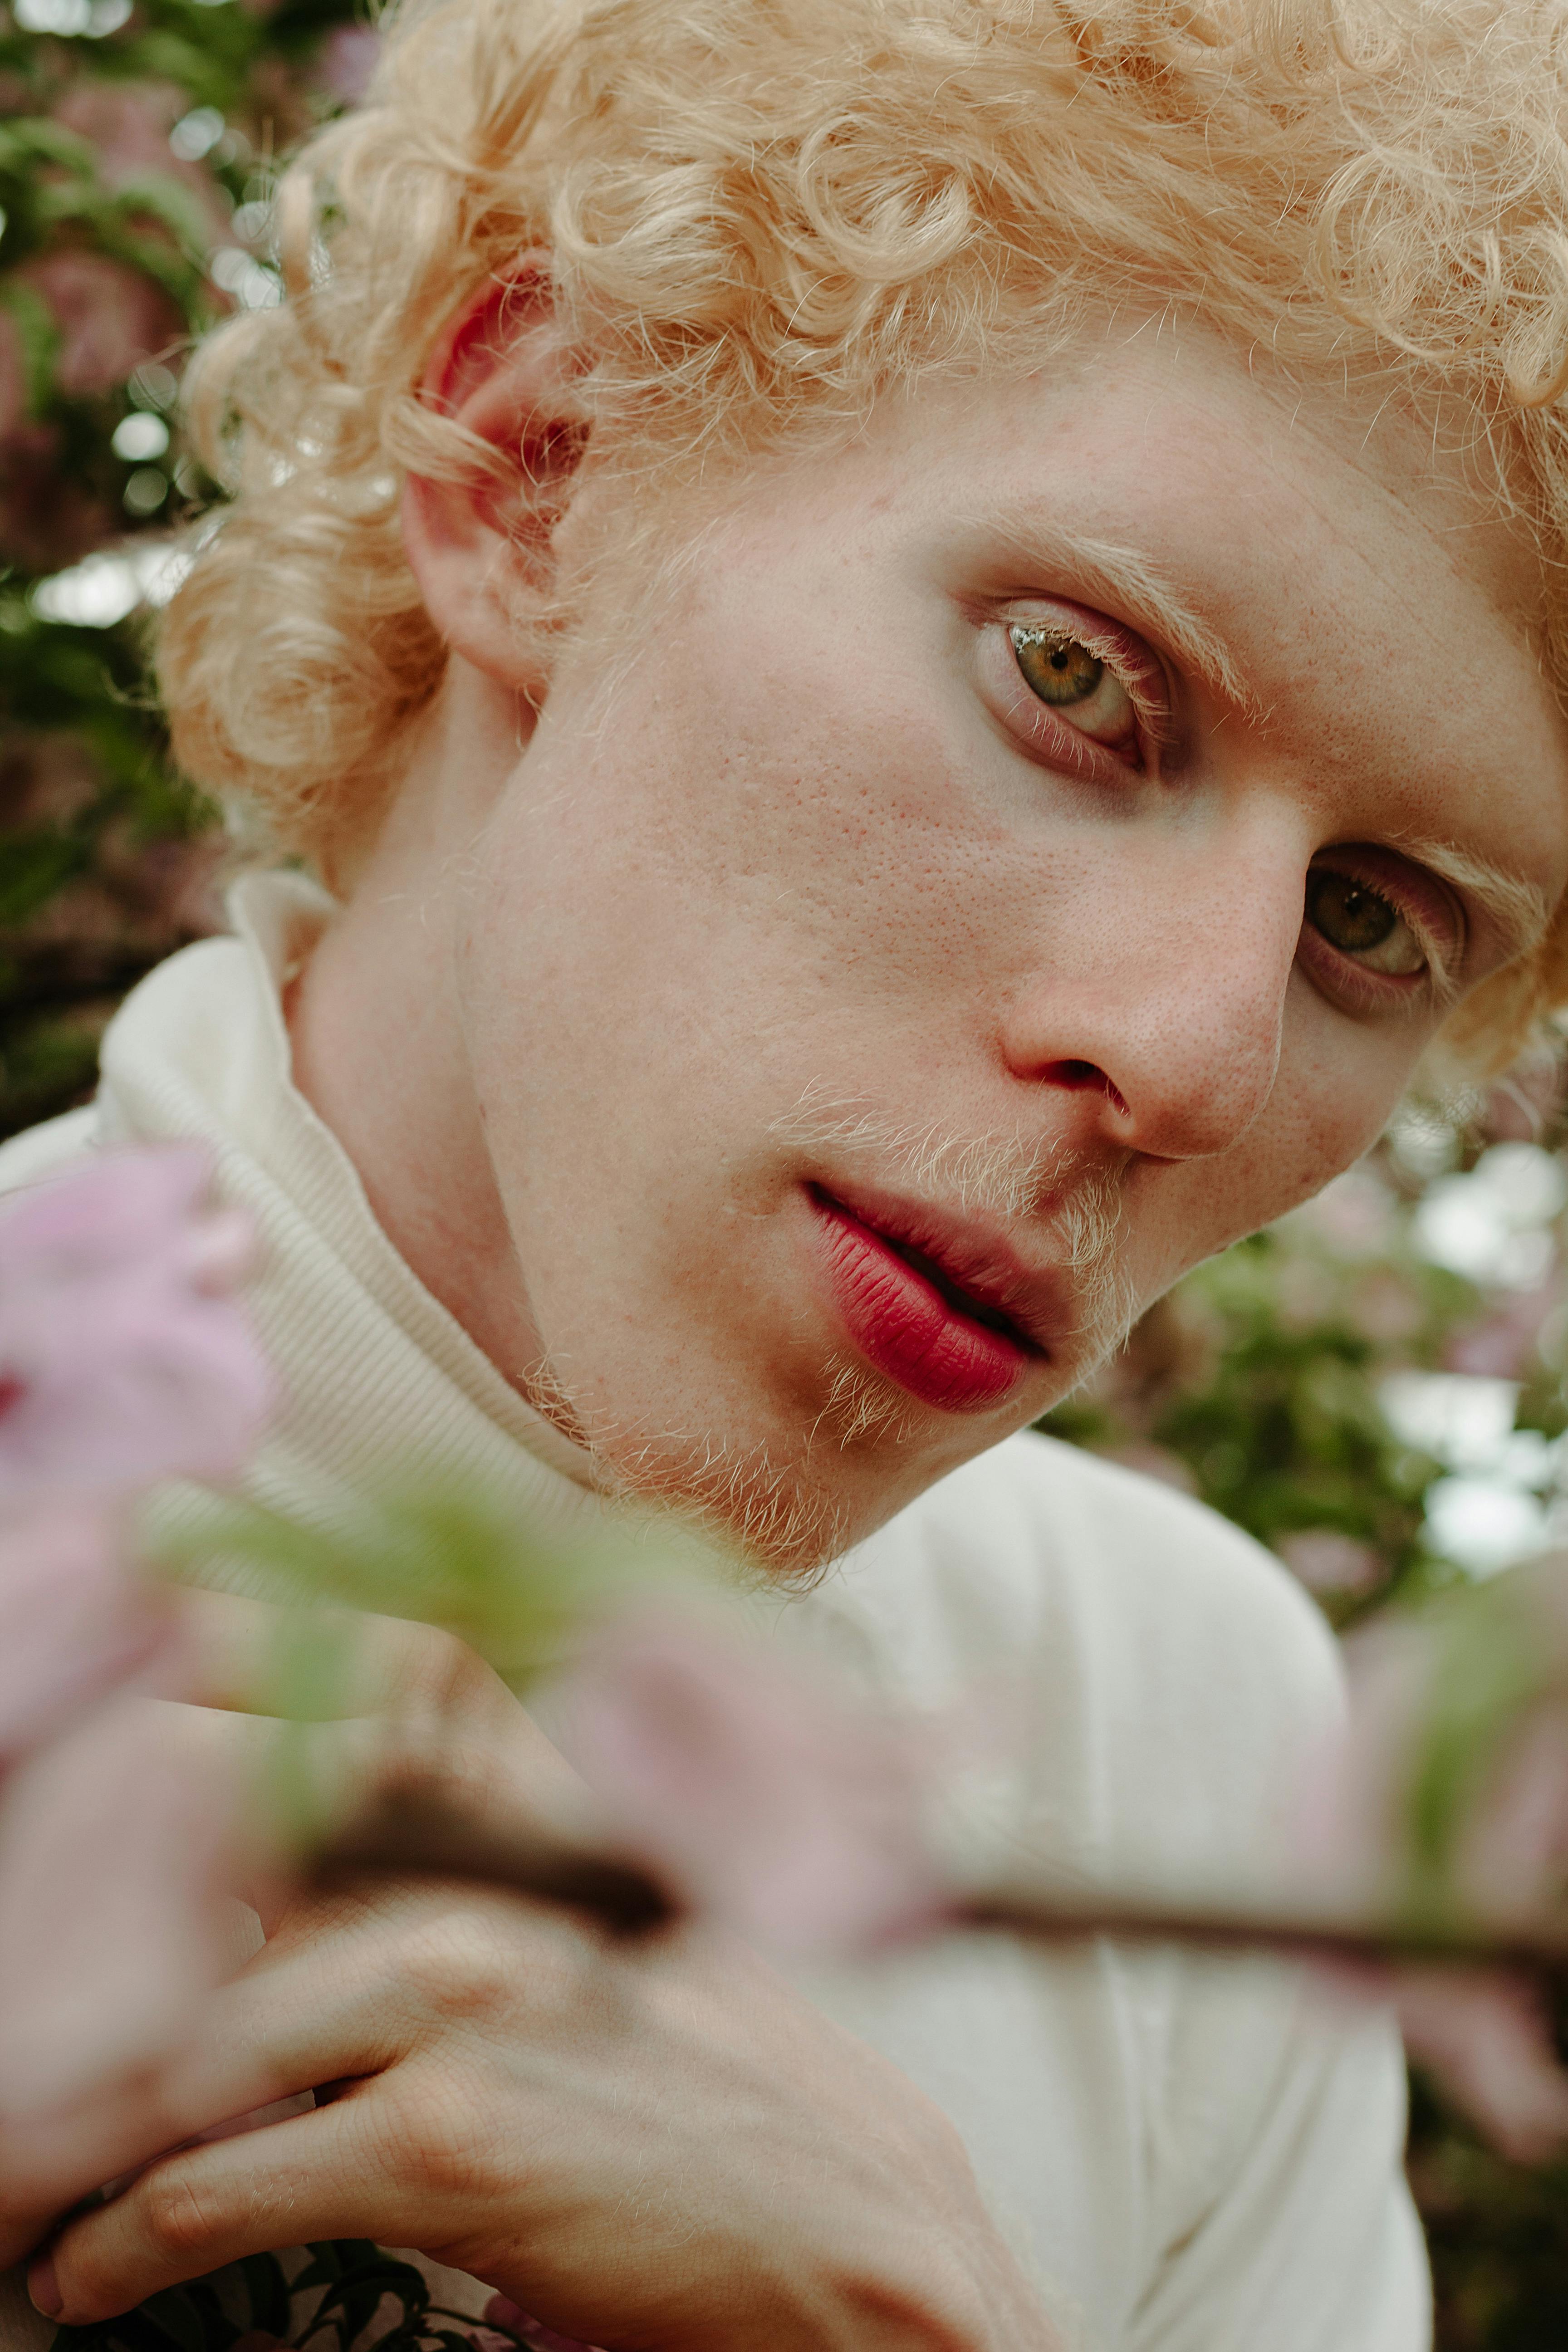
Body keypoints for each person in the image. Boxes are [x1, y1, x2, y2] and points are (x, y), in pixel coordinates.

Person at [6, 0, 1568, 2339]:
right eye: (1073, 676)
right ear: (540, 464)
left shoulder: (1180, 1726)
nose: (1187, 1057)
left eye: (1375, 924)